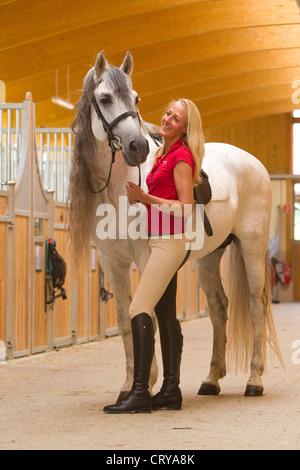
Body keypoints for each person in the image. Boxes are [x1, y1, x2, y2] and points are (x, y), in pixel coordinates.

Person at [103, 99, 205, 413]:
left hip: (170, 241)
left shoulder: (182, 157)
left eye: (175, 118)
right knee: (167, 315)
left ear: (186, 128)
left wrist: (145, 197)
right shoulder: (163, 153)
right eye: (167, 113)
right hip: (157, 238)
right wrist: (142, 204)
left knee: (138, 308)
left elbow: (187, 208)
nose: (167, 119)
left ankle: (139, 392)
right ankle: (171, 391)